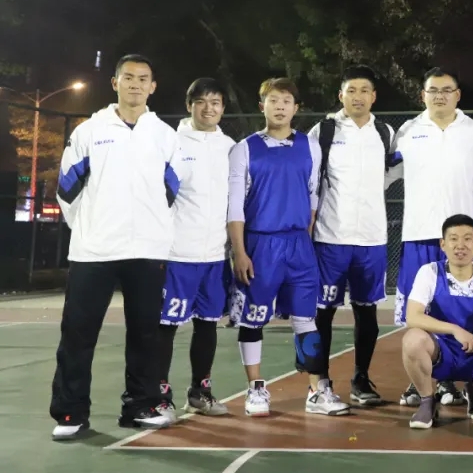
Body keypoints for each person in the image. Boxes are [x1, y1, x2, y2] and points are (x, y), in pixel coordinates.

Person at [50, 54, 179, 440]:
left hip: (147, 251)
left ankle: (141, 406)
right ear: (115, 83)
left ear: (153, 86)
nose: (135, 84)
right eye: (128, 77)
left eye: (143, 78)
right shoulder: (89, 131)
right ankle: (70, 414)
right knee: (78, 334)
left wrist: (152, 230)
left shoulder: (165, 135)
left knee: (145, 335)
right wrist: (89, 229)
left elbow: (171, 192)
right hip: (94, 251)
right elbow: (67, 190)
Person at [227, 77, 349, 418]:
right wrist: (240, 252)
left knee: (306, 319)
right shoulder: (244, 149)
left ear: (296, 108)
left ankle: (316, 391)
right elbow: (235, 206)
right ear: (262, 106)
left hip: (299, 245)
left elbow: (312, 197)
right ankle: (255, 389)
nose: (280, 106)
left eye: (286, 101)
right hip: (260, 244)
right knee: (254, 319)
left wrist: (304, 240)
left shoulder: (310, 146)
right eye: (273, 100)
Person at [388, 67, 473, 407]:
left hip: (461, 240)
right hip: (419, 235)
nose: (439, 96)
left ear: (458, 95)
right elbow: (382, 176)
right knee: (417, 312)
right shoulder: (407, 132)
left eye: (446, 90)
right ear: (422, 95)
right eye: (433, 90)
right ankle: (421, 381)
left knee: (462, 312)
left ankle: (456, 381)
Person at [308, 66, 395, 408]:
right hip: (330, 238)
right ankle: (320, 384)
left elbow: (393, 172)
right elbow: (309, 181)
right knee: (322, 313)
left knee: (367, 312)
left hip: (372, 240)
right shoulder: (324, 131)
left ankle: (361, 378)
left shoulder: (385, 133)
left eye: (364, 90)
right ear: (340, 95)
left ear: (374, 97)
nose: (358, 97)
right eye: (351, 90)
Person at [156, 78, 235, 422]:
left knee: (207, 325)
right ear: (189, 106)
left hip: (215, 256)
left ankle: (199, 393)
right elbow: (158, 197)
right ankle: (159, 396)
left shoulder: (230, 147)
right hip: (177, 254)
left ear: (223, 108)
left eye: (215, 102)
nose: (208, 108)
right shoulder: (171, 143)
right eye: (201, 101)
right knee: (166, 327)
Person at [401, 214, 473, 429]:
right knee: (412, 340)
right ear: (443, 244)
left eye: (467, 239)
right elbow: (412, 316)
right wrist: (454, 329)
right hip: (442, 351)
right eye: (453, 239)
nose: (460, 245)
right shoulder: (430, 272)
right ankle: (427, 401)